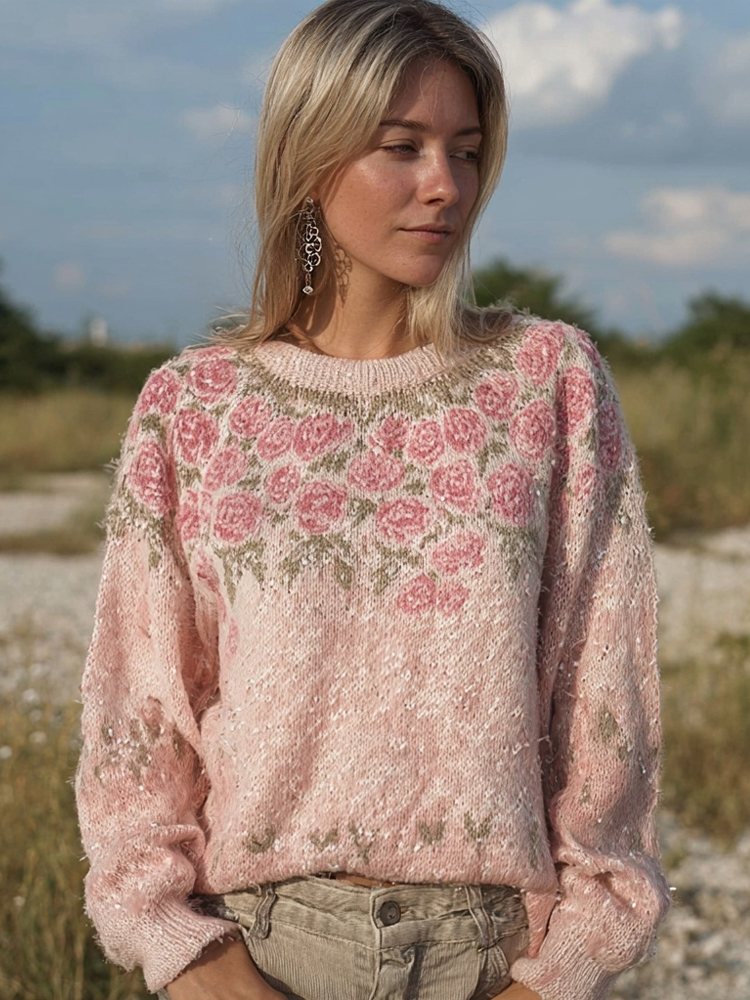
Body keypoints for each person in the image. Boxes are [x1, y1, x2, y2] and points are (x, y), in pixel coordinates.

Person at [75, 2, 671, 999]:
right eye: (403, 147)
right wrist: (193, 960)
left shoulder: (548, 381)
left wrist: (563, 968)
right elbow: (141, 716)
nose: (447, 185)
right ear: (310, 159)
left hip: (493, 956)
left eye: (467, 152)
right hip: (260, 948)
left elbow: (606, 693)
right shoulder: (197, 407)